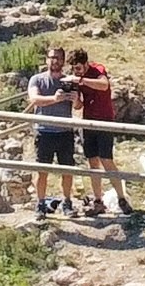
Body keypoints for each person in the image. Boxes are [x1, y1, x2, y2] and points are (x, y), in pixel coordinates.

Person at [72, 50, 123, 216]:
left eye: (79, 68)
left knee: (107, 160)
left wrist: (81, 80)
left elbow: (104, 85)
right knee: (93, 162)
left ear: (86, 64)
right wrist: (74, 97)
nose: (76, 71)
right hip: (88, 122)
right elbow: (78, 106)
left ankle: (121, 198)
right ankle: (98, 200)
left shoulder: (98, 70)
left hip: (105, 120)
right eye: (74, 69)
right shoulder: (77, 79)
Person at [23, 56, 76, 213]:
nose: (55, 61)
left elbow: (79, 106)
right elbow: (35, 99)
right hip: (44, 131)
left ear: (63, 61)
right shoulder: (37, 79)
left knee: (68, 170)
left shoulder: (69, 81)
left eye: (58, 58)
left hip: (65, 132)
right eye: (52, 57)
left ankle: (67, 202)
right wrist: (55, 98)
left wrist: (75, 98)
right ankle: (40, 203)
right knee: (42, 171)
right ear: (47, 60)